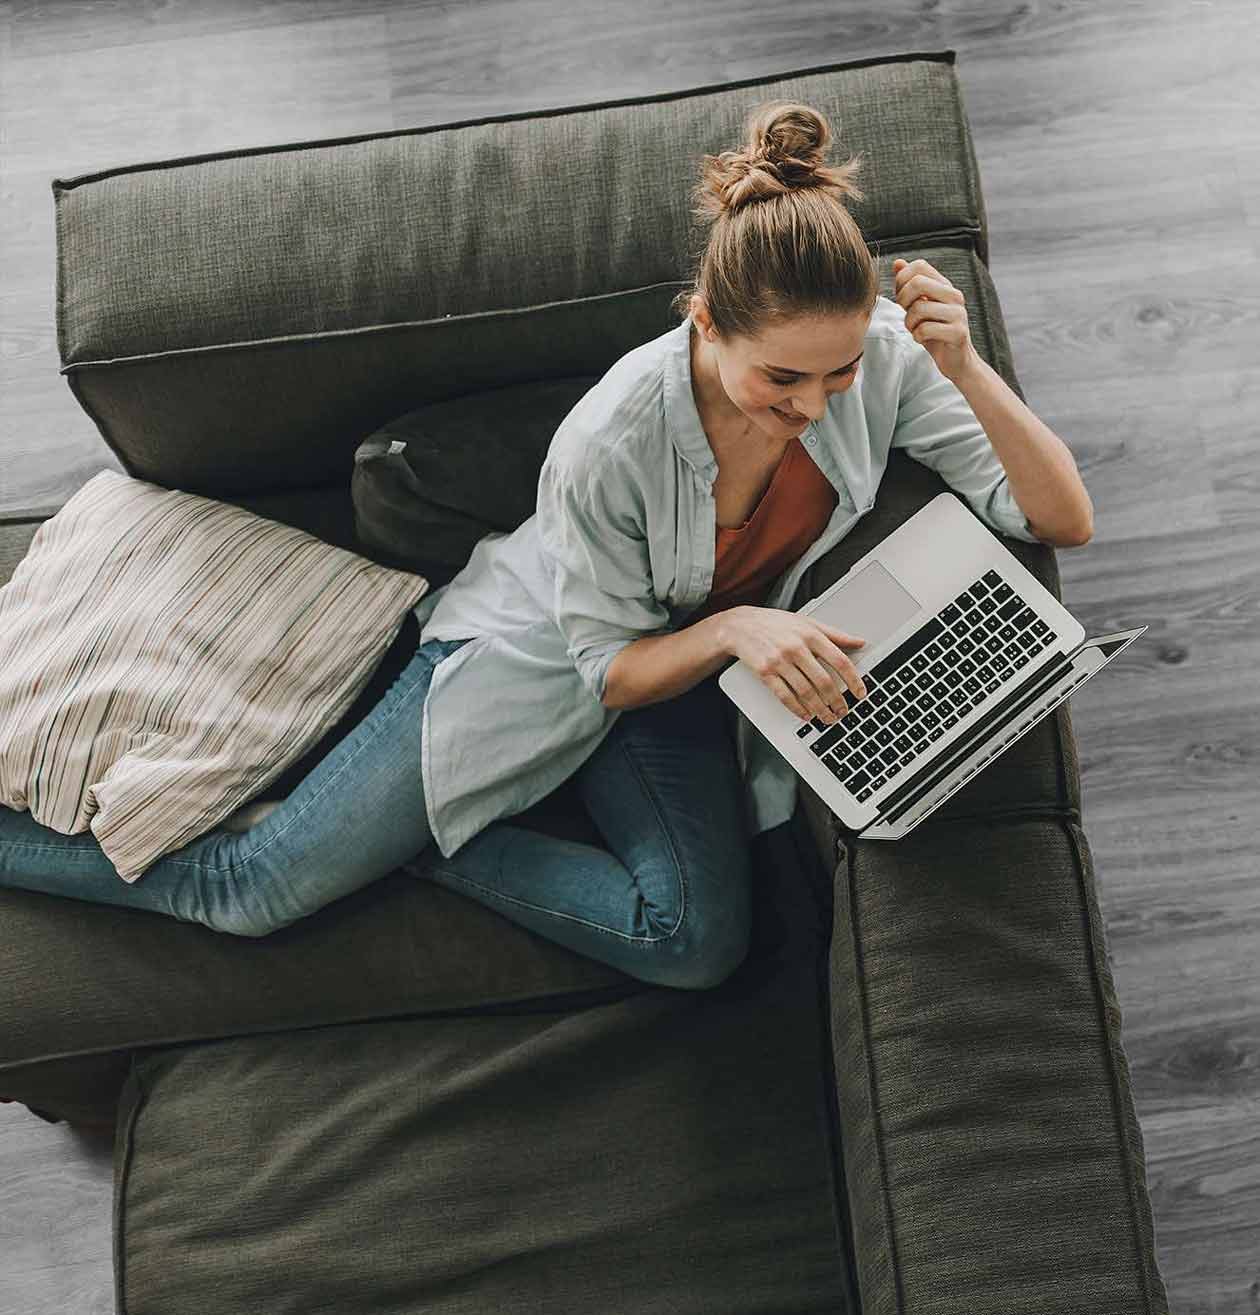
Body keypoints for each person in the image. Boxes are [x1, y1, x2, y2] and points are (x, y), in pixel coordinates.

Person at [0, 100, 1087, 988]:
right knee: (246, 888)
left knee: (695, 942)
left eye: (838, 372)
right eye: (783, 379)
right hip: (544, 664)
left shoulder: (882, 360)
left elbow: (1058, 518)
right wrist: (739, 628)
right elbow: (606, 669)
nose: (814, 404)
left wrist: (968, 369)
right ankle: (348, 832)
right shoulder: (612, 438)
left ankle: (409, 848)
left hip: (679, 682)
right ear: (707, 322)